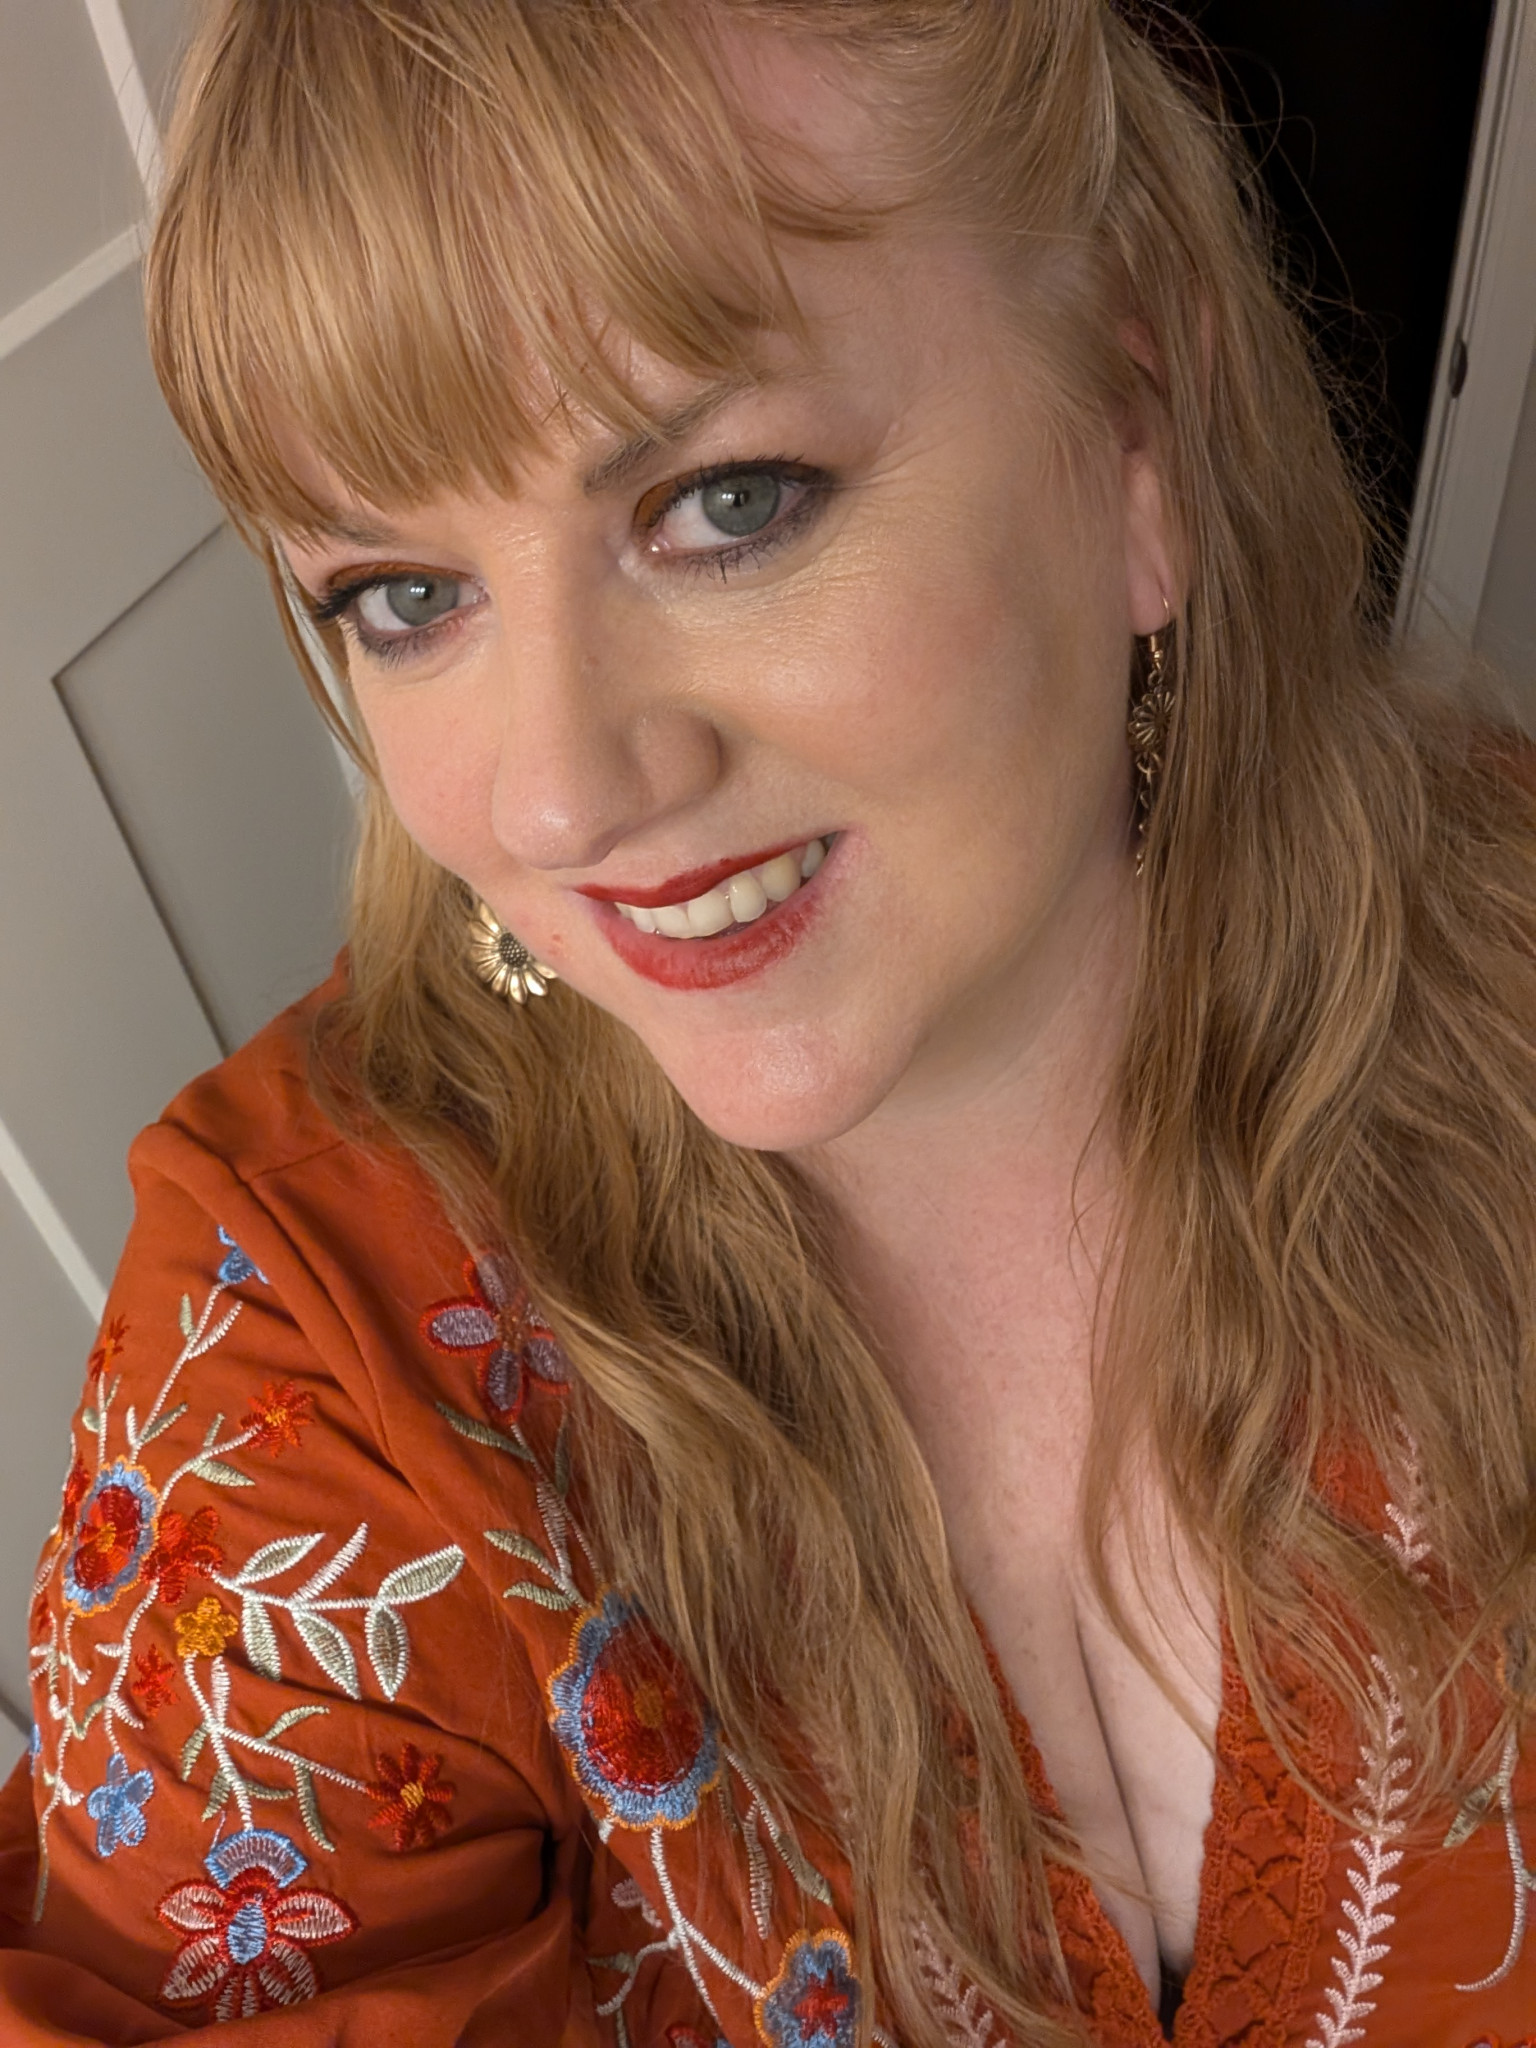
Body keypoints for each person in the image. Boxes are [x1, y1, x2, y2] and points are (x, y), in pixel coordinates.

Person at [3, 1, 1534, 2042]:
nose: (558, 797)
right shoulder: (310, 1342)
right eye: (401, 596)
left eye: (728, 503)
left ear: (1135, 432)